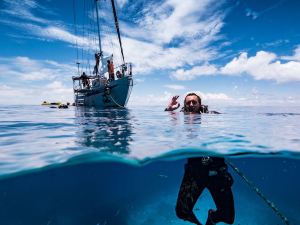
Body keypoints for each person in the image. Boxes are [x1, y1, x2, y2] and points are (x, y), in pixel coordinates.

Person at [165, 93, 235, 225]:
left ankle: (212, 217)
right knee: (182, 212)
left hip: (217, 171)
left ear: (200, 105)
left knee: (228, 218)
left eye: (194, 102)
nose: (191, 105)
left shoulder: (210, 115)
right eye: (188, 103)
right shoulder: (181, 116)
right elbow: (169, 123)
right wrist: (169, 109)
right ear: (185, 106)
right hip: (195, 173)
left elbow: (227, 123)